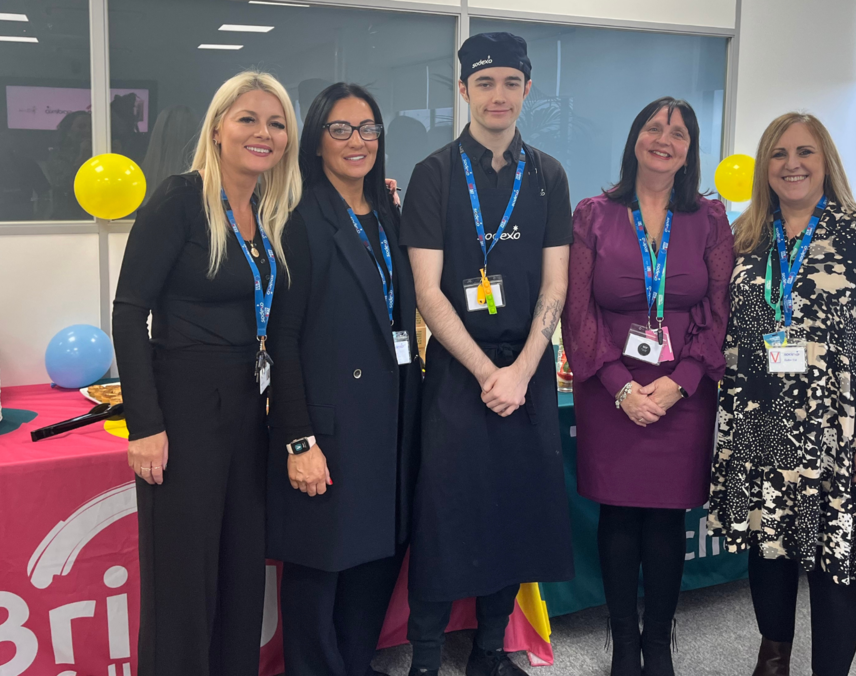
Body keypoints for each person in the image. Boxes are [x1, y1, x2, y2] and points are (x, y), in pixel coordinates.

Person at [708, 112, 856, 676]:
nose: (791, 164)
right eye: (778, 154)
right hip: (759, 424)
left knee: (837, 563)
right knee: (769, 550)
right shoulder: (747, 234)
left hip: (838, 432)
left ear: (826, 159)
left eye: (804, 152)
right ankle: (773, 659)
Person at [112, 70, 302, 675]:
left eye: (276, 123)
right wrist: (143, 424)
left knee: (241, 570)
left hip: (249, 406)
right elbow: (128, 313)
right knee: (182, 581)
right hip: (185, 406)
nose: (262, 133)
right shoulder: (180, 197)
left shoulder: (270, 210)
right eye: (247, 119)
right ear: (218, 127)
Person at [399, 31, 575, 676]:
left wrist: (524, 371)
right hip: (456, 372)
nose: (497, 96)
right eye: (484, 83)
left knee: (515, 516)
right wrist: (485, 371)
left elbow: (555, 284)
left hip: (525, 370)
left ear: (527, 90)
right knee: (445, 516)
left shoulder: (550, 175)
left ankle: (489, 652)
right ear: (464, 90)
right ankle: (423, 660)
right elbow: (426, 290)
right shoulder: (434, 175)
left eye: (510, 83)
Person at [562, 97, 733, 676]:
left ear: (690, 150)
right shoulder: (592, 213)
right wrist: (620, 387)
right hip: (612, 390)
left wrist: (679, 383)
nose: (665, 139)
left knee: (666, 520)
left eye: (679, 132)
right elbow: (577, 311)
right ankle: (623, 645)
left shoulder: (710, 219)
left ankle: (657, 642)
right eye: (655, 128)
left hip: (683, 394)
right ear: (635, 137)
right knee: (618, 518)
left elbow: (719, 308)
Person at [266, 83, 421, 676]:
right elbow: (282, 339)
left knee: (377, 558)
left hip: (393, 417)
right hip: (330, 426)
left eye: (368, 129)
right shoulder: (300, 219)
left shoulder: (386, 212)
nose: (357, 142)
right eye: (341, 129)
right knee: (321, 566)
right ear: (317, 140)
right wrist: (299, 439)